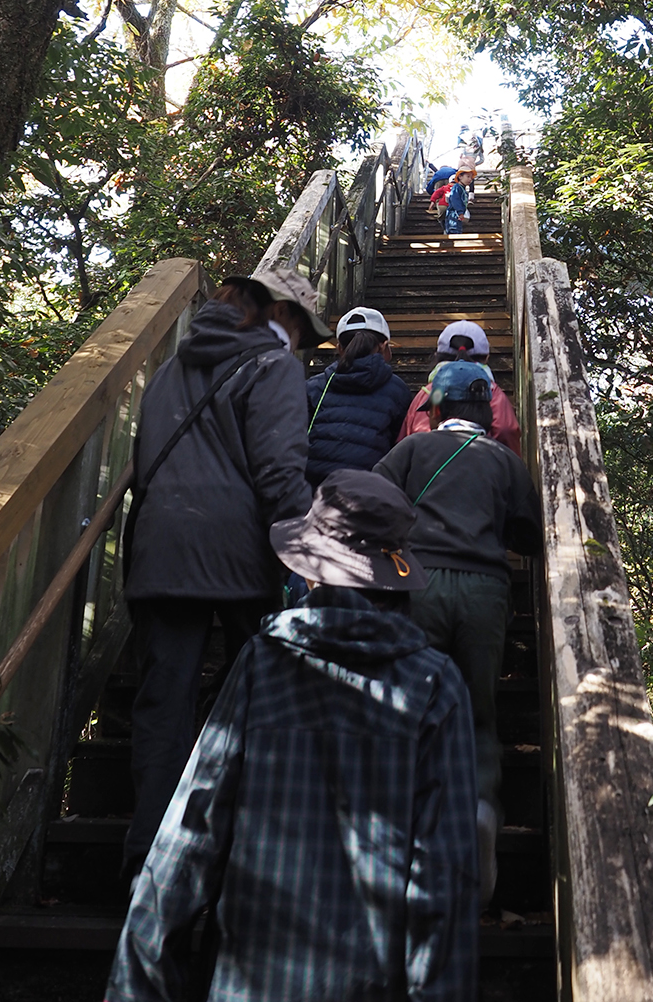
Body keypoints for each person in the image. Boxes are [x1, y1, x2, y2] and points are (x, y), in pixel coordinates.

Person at [106, 470, 479, 1002]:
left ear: (312, 572)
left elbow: (191, 831)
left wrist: (136, 985)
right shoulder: (435, 686)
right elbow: (444, 877)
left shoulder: (262, 664)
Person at [121, 266, 330, 879]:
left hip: (160, 549)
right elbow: (279, 473)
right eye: (303, 329)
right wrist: (310, 557)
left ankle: (147, 864)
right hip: (239, 552)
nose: (302, 345)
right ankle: (241, 859)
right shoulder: (274, 365)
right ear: (281, 314)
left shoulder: (169, 369)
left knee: (163, 707)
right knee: (259, 698)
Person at [374, 361, 542, 901]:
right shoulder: (504, 461)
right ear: (488, 413)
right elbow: (530, 536)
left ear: (436, 408)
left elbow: (370, 506)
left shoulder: (410, 451)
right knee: (477, 711)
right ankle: (478, 809)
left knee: (409, 707)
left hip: (417, 586)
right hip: (485, 593)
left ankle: (405, 830)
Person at [305, 306, 412, 486]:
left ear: (339, 348)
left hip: (316, 491)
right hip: (372, 490)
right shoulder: (398, 391)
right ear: (384, 346)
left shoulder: (314, 387)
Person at [397, 319, 522, 456]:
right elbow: (506, 430)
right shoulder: (492, 392)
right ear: (486, 358)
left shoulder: (426, 394)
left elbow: (405, 440)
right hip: (482, 462)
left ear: (437, 356)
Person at [444, 168, 472, 235]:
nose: (470, 179)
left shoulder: (463, 189)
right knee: (454, 230)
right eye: (468, 177)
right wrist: (460, 212)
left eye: (471, 178)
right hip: (454, 214)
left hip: (458, 215)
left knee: (458, 230)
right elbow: (455, 200)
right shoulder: (456, 188)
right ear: (460, 177)